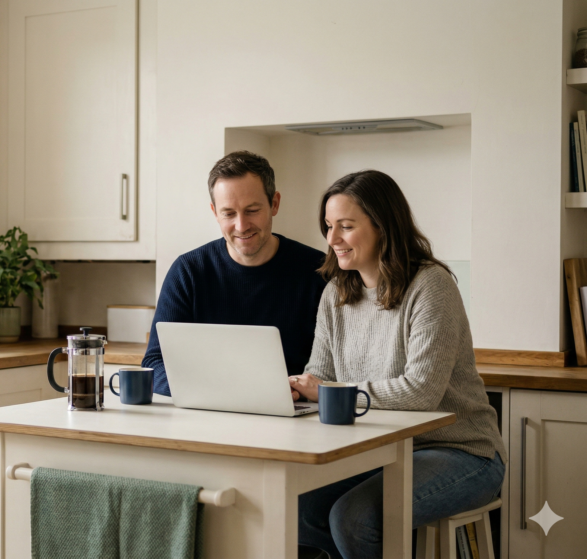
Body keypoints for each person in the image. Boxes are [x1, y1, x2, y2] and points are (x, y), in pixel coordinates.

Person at [290, 170, 506, 559]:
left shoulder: (431, 286)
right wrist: (297, 390)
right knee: (302, 507)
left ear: (383, 226)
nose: (332, 239)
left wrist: (324, 391)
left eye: (346, 226)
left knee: (353, 519)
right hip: (378, 450)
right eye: (328, 226)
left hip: (460, 450)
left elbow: (421, 391)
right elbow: (320, 376)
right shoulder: (336, 293)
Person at [142, 150, 326, 396]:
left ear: (274, 204)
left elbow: (337, 368)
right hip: (209, 415)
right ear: (214, 212)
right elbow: (154, 364)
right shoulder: (188, 271)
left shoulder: (319, 271)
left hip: (299, 416)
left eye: (252, 210)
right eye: (228, 213)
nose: (241, 225)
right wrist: (221, 393)